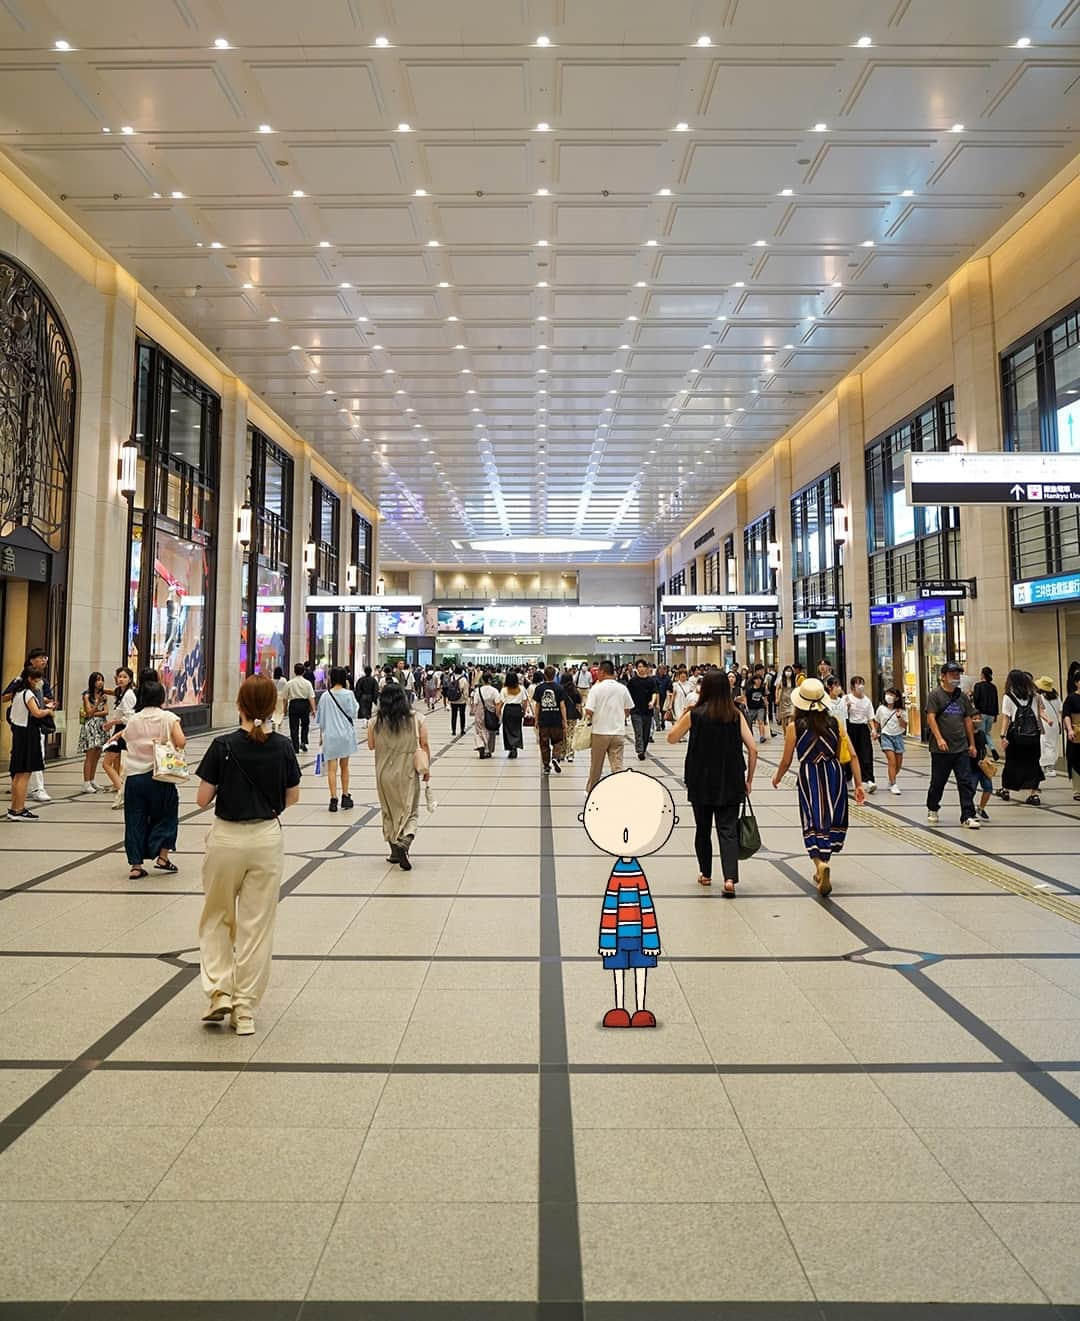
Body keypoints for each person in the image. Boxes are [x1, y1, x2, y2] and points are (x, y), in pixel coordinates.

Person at [196, 674, 302, 1035]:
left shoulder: (222, 745)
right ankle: (245, 1009)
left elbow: (202, 798)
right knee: (256, 927)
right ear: (274, 706)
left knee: (216, 917)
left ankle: (219, 992)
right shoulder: (284, 747)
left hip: (226, 838)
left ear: (239, 705)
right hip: (266, 840)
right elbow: (292, 797)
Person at [585, 768, 677, 1028]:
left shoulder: (635, 874)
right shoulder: (621, 874)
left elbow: (645, 908)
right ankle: (620, 1007)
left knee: (639, 970)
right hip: (620, 935)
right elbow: (611, 908)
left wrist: (650, 940)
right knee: (620, 971)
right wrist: (607, 941)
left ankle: (639, 1008)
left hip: (637, 935)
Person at [772, 677, 865, 896]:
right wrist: (859, 784)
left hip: (810, 774)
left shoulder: (795, 727)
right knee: (831, 818)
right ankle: (825, 861)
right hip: (835, 774)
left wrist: (777, 777)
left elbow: (786, 761)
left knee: (812, 818)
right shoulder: (835, 723)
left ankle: (819, 864)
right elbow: (852, 754)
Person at [668, 669, 757, 896]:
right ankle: (729, 879)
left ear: (704, 689)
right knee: (728, 830)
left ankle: (706, 874)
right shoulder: (735, 715)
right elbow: (753, 749)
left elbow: (672, 738)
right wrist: (749, 780)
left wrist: (684, 714)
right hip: (731, 779)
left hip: (701, 780)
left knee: (703, 828)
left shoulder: (695, 714)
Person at [120, 680, 186, 880]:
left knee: (135, 818)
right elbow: (181, 741)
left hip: (135, 776)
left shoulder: (134, 719)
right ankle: (162, 857)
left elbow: (127, 739)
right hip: (160, 775)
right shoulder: (168, 717)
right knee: (166, 815)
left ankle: (136, 865)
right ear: (161, 697)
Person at [368, 679, 430, 869]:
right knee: (409, 810)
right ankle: (405, 841)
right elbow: (425, 745)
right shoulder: (417, 718)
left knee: (388, 810)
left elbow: (371, 745)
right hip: (407, 772)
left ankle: (395, 851)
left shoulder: (374, 722)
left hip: (384, 772)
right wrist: (427, 770)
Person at [925, 661, 980, 827]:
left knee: (965, 782)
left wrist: (972, 744)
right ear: (943, 676)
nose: (956, 678)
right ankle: (933, 807)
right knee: (938, 782)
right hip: (941, 749)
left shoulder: (962, 697)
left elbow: (968, 720)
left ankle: (967, 815)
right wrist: (939, 738)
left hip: (961, 747)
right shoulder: (935, 695)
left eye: (958, 675)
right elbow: (931, 717)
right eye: (952, 674)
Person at [3, 648, 55, 803]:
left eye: (45, 658)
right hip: (24, 725)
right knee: (26, 761)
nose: (44, 660)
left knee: (32, 759)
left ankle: (29, 790)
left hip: (34, 726)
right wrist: (45, 711)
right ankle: (33, 790)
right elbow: (6, 697)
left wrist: (46, 703)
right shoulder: (20, 684)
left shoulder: (43, 682)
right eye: (40, 658)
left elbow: (47, 699)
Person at [7, 667, 51, 821]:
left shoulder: (17, 694)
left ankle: (14, 808)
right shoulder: (28, 694)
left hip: (18, 732)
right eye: (37, 679)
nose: (39, 682)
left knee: (18, 774)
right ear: (30, 679)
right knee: (25, 773)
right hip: (28, 734)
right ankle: (19, 809)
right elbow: (36, 713)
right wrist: (48, 711)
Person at [584, 659, 633, 793]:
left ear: (602, 672)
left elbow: (589, 710)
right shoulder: (622, 688)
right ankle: (619, 792)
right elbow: (628, 708)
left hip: (600, 732)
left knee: (596, 766)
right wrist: (621, 717)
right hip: (618, 733)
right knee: (617, 765)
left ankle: (591, 791)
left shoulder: (596, 688)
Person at [999, 669, 1047, 806]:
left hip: (1015, 735)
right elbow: (1037, 715)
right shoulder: (1035, 695)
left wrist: (1003, 736)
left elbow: (1006, 718)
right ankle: (1034, 794)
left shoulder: (1008, 696)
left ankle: (1006, 790)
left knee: (1012, 761)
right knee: (1033, 762)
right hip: (1033, 734)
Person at [315, 666, 359, 812]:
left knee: (332, 769)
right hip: (345, 735)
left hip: (330, 736)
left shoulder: (325, 696)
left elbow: (321, 719)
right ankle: (345, 796)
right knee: (345, 767)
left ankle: (333, 799)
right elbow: (353, 712)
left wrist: (321, 736)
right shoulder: (348, 694)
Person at [102, 666, 137, 808]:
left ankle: (122, 791)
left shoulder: (129, 695)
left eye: (124, 677)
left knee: (106, 763)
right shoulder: (121, 693)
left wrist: (113, 722)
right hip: (119, 728)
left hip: (123, 730)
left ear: (129, 679)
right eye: (119, 676)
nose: (121, 679)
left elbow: (129, 717)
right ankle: (120, 789)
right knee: (114, 762)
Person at [531, 665, 568, 774]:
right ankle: (555, 757)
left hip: (544, 720)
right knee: (558, 742)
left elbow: (537, 706)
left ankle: (546, 766)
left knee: (544, 744)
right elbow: (562, 706)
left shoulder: (539, 688)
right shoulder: (559, 688)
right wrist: (564, 721)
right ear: (554, 675)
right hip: (556, 720)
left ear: (544, 675)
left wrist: (536, 719)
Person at [843, 675, 877, 793]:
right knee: (850, 755)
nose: (860, 686)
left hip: (862, 728)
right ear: (853, 687)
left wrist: (873, 729)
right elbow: (842, 715)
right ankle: (847, 778)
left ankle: (869, 780)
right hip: (850, 728)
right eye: (858, 683)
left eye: (862, 683)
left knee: (866, 753)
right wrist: (846, 708)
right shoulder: (847, 698)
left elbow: (870, 717)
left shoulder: (867, 700)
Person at [78, 672, 110, 793]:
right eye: (97, 680)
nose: (100, 682)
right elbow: (89, 712)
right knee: (90, 755)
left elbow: (106, 711)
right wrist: (97, 704)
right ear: (93, 682)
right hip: (90, 726)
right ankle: (86, 782)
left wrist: (94, 712)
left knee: (97, 754)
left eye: (102, 680)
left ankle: (92, 779)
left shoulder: (104, 695)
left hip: (101, 725)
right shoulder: (87, 695)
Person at [625, 658, 659, 761]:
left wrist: (653, 702)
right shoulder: (632, 681)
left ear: (646, 668)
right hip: (635, 711)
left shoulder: (651, 681)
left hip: (647, 711)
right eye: (639, 667)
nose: (641, 669)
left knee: (646, 732)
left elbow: (654, 693)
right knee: (638, 731)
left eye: (643, 666)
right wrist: (627, 709)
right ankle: (640, 750)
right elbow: (627, 695)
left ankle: (643, 749)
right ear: (636, 668)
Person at [875, 687, 908, 795]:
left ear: (897, 698)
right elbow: (877, 722)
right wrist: (874, 731)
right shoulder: (881, 709)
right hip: (886, 736)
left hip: (898, 736)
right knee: (892, 761)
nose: (889, 696)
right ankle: (894, 784)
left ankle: (891, 778)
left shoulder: (902, 711)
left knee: (898, 764)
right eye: (888, 694)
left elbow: (905, 726)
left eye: (892, 695)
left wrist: (899, 717)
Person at [285, 661, 316, 753]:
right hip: (304, 705)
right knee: (305, 724)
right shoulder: (307, 683)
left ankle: (295, 746)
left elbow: (285, 697)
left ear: (294, 671)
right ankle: (303, 741)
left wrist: (284, 708)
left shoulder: (290, 683)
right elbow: (311, 697)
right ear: (303, 672)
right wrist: (313, 709)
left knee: (293, 726)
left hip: (294, 704)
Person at [1035, 676, 1062, 778]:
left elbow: (1039, 711)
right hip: (1055, 724)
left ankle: (1047, 767)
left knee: (1045, 744)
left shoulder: (1039, 697)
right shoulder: (1056, 696)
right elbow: (1060, 710)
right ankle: (1050, 766)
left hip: (1045, 723)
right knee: (1053, 744)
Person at [972, 666, 1000, 757]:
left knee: (982, 734)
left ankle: (985, 750)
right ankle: (990, 749)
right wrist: (996, 715)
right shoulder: (993, 687)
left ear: (982, 674)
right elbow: (996, 701)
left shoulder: (978, 686)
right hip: (991, 714)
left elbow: (976, 700)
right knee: (987, 733)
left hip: (981, 713)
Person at [472, 669, 501, 759]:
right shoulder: (494, 691)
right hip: (491, 713)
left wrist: (474, 712)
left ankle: (481, 745)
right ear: (489, 680)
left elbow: (475, 703)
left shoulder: (478, 690)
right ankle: (488, 751)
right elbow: (497, 703)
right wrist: (498, 715)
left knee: (479, 731)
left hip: (479, 713)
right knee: (491, 731)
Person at [499, 669, 526, 759]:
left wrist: (498, 713)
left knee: (507, 729)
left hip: (508, 710)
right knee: (517, 729)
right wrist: (524, 711)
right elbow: (525, 701)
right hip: (517, 709)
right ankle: (515, 746)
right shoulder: (521, 688)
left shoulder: (504, 689)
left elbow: (501, 703)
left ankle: (511, 747)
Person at [1062, 669, 1080, 801]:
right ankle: (1077, 790)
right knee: (1074, 759)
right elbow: (1066, 715)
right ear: (1076, 683)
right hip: (1076, 731)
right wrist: (1069, 729)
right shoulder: (1071, 698)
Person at [560, 670, 584, 763]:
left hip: (562, 716)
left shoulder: (560, 690)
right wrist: (580, 714)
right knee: (571, 735)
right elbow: (578, 705)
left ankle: (562, 753)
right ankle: (570, 754)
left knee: (562, 735)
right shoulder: (575, 691)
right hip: (573, 716)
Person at [744, 673, 769, 743]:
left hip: (760, 707)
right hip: (751, 707)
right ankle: (750, 736)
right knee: (749, 722)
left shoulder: (763, 688)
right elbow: (745, 697)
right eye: (756, 679)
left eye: (759, 679)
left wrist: (766, 707)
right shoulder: (750, 689)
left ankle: (762, 736)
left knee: (761, 721)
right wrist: (746, 706)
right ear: (753, 680)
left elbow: (765, 698)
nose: (758, 681)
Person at [445, 667, 468, 736]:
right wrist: (466, 699)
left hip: (453, 699)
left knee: (453, 715)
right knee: (462, 715)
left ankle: (453, 730)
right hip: (461, 700)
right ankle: (462, 730)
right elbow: (465, 691)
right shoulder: (464, 679)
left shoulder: (452, 678)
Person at [272, 666, 288, 733]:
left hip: (274, 696)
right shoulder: (284, 680)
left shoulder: (272, 680)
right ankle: (278, 723)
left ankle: (274, 720)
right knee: (281, 711)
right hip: (282, 697)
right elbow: (286, 689)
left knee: (275, 710)